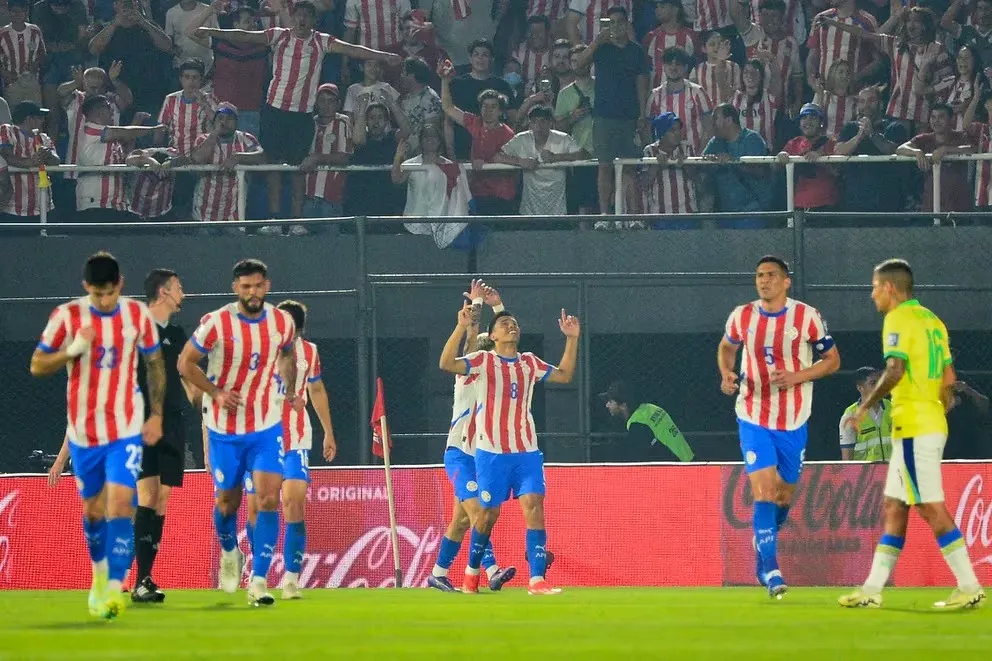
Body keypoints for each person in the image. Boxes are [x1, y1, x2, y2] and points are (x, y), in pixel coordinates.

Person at [839, 259, 986, 610]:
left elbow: (894, 369)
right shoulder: (933, 321)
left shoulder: (898, 318)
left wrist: (863, 407)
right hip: (930, 421)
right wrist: (937, 404)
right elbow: (948, 381)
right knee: (895, 506)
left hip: (914, 426)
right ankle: (872, 589)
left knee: (928, 504)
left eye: (875, 286)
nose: (872, 294)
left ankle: (969, 585)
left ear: (890, 288)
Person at [29, 251, 166, 619]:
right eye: (97, 293)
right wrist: (72, 351)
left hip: (125, 429)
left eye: (110, 293)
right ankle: (99, 577)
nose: (104, 300)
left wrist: (155, 415)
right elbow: (37, 364)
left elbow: (154, 363)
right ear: (86, 288)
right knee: (93, 512)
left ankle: (112, 588)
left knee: (123, 503)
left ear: (120, 285)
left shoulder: (137, 315)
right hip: (84, 433)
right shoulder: (67, 317)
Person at [194, 0, 401, 220]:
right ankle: (274, 219)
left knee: (298, 169)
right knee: (272, 164)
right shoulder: (279, 35)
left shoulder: (322, 41)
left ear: (314, 21)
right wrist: (211, 31)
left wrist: (383, 56)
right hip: (275, 110)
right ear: (292, 18)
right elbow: (244, 36)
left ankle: (296, 221)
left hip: (301, 115)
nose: (301, 20)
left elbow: (353, 49)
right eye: (298, 15)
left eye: (306, 16)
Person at [177, 258, 302, 607]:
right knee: (227, 502)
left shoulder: (282, 322)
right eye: (246, 286)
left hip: (265, 426)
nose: (252, 292)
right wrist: (215, 392)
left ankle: (259, 581)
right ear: (236, 289)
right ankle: (230, 551)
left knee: (267, 499)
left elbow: (289, 355)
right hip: (224, 429)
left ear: (267, 285)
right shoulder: (216, 323)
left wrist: (289, 389)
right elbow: (184, 363)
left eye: (258, 285)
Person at [717, 255, 841, 597]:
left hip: (794, 420)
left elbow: (833, 361)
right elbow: (726, 347)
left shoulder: (807, 317)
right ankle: (771, 571)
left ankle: (763, 548)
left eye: (771, 275)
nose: (764, 280)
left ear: (786, 281)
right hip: (753, 415)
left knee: (784, 497)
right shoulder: (742, 315)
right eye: (759, 275)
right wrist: (726, 373)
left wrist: (797, 376)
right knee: (765, 491)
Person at [438, 304, 580, 595]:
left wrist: (572, 338)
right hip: (490, 454)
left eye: (514, 323)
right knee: (486, 517)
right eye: (504, 324)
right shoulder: (482, 361)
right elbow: (447, 363)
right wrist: (461, 326)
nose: (511, 326)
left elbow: (565, 375)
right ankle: (471, 573)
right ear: (493, 336)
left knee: (534, 505)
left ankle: (537, 580)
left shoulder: (529, 362)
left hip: (526, 450)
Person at [242, 300, 337, 600]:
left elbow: (317, 390)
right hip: (260, 440)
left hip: (296, 439)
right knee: (258, 508)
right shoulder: (258, 349)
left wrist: (328, 433)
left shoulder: (309, 352)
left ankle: (291, 581)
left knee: (294, 502)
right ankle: (259, 575)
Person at [428, 280, 516, 593]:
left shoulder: (495, 374)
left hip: (481, 455)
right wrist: (476, 308)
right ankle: (491, 569)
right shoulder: (467, 373)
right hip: (459, 454)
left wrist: (499, 308)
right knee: (479, 512)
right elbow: (470, 342)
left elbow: (507, 344)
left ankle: (438, 574)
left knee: (462, 521)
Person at [132, 269, 192, 603]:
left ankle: (147, 578)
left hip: (174, 421)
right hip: (143, 421)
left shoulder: (179, 334)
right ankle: (139, 579)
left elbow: (187, 374)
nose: (183, 293)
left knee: (163, 497)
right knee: (147, 495)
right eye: (179, 287)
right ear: (163, 291)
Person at [572, 4, 649, 214]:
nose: (615, 26)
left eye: (619, 22)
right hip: (604, 116)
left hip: (629, 117)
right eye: (611, 22)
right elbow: (578, 67)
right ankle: (605, 214)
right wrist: (596, 42)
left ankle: (633, 215)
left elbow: (642, 84)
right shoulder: (601, 49)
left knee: (630, 168)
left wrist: (642, 114)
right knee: (604, 166)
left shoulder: (636, 51)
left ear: (627, 24)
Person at [497, 105, 587, 216]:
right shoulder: (521, 139)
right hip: (529, 208)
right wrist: (520, 161)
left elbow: (583, 155)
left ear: (550, 123)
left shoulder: (562, 138)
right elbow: (497, 156)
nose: (538, 126)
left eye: (543, 121)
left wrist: (556, 157)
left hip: (559, 208)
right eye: (534, 122)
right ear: (529, 124)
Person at [896, 103, 975, 213]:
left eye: (941, 117)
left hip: (959, 204)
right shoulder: (924, 138)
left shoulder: (961, 136)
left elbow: (972, 149)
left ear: (951, 119)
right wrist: (917, 152)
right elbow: (900, 149)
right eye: (933, 117)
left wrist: (946, 149)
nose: (936, 121)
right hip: (931, 204)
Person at [599, 380, 694, 461]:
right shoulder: (651, 408)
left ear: (623, 405)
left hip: (680, 471)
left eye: (610, 401)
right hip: (689, 460)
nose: (607, 405)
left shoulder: (637, 424)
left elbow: (642, 459)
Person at [776, 102, 839, 211]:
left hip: (825, 205)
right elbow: (774, 168)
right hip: (796, 205)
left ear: (821, 122)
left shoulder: (831, 143)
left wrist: (820, 159)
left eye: (813, 117)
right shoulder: (794, 143)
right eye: (804, 118)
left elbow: (837, 173)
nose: (808, 121)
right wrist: (780, 157)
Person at [838, 366, 892, 461]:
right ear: (860, 388)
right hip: (866, 474)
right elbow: (847, 458)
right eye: (873, 383)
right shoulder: (850, 415)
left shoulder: (891, 407)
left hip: (892, 472)